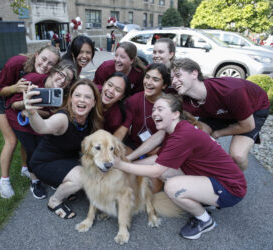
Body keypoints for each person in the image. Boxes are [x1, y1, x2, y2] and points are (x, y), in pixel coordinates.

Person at [113, 94, 247, 240]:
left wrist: (121, 165)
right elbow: (157, 158)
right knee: (166, 171)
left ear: (175, 114)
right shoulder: (176, 128)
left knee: (172, 187)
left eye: (160, 109)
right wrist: (128, 161)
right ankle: (205, 200)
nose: (154, 113)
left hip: (231, 188)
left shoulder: (182, 136)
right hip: (214, 179)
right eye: (153, 110)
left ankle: (204, 220)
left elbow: (155, 169)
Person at [170, 58, 270, 171]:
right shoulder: (185, 100)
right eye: (172, 78)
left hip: (253, 110)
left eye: (178, 75)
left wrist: (217, 133)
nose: (174, 81)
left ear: (194, 73)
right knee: (194, 139)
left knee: (238, 156)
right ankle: (203, 171)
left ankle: (237, 183)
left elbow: (248, 126)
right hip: (218, 112)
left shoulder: (230, 91)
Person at [0, 45, 60, 199]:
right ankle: (3, 181)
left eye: (51, 63)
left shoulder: (44, 76)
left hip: (18, 100)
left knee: (25, 135)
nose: (45, 65)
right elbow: (0, 89)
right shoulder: (16, 63)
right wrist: (14, 88)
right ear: (36, 55)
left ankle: (25, 168)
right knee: (11, 140)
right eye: (43, 59)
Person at [24, 79, 103, 219]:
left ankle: (66, 183)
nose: (82, 100)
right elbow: (42, 127)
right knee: (82, 177)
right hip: (44, 162)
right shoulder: (62, 118)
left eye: (87, 97)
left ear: (94, 102)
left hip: (67, 159)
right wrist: (32, 112)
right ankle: (54, 201)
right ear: (71, 98)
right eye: (77, 95)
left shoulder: (90, 120)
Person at [6, 60, 78, 199]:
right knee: (31, 149)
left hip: (40, 120)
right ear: (53, 72)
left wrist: (36, 113)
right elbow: (13, 105)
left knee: (45, 148)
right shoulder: (33, 79)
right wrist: (27, 106)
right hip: (19, 118)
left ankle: (49, 176)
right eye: (61, 74)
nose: (63, 80)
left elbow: (52, 114)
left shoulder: (62, 94)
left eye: (67, 79)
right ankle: (35, 181)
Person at [114, 63, 170, 152]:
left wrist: (159, 150)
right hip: (135, 145)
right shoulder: (133, 100)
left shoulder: (170, 104)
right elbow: (124, 128)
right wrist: (111, 147)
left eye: (155, 79)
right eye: (147, 77)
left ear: (164, 85)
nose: (148, 82)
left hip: (159, 148)